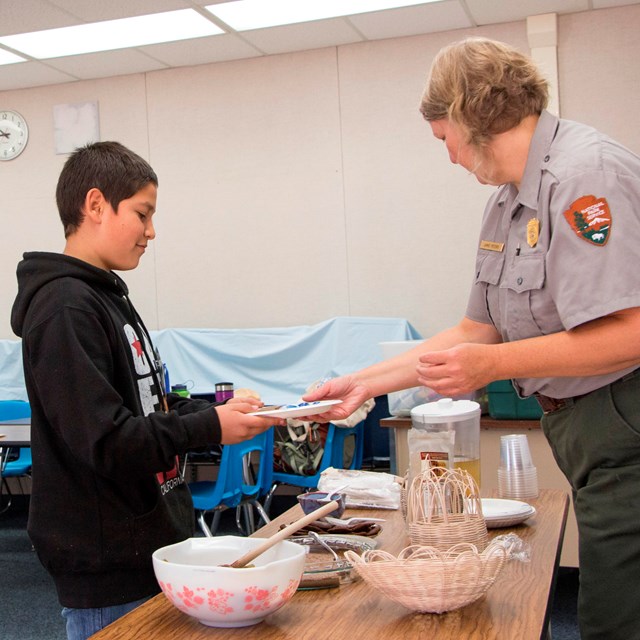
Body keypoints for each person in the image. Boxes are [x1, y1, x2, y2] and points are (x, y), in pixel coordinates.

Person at [303, 37, 640, 640]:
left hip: (624, 422)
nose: (450, 157)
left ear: (465, 115)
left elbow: (630, 331)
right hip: (583, 430)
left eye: (443, 139)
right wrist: (361, 384)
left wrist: (491, 365)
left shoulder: (585, 175)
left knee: (615, 620)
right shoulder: (506, 205)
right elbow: (472, 330)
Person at [10, 141, 281, 640]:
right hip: (108, 566)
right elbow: (108, 440)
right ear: (95, 205)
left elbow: (144, 402)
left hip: (150, 548)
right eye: (142, 213)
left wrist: (216, 410)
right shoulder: (65, 308)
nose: (151, 232)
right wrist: (210, 426)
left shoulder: (106, 297)